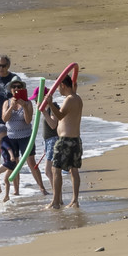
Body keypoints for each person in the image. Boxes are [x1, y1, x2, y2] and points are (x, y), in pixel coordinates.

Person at [46, 70, 83, 210]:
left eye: (58, 87)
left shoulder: (69, 99)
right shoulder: (77, 98)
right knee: (74, 170)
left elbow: (60, 116)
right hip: (75, 139)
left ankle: (56, 202)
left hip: (65, 140)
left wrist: (50, 104)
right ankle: (74, 200)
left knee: (56, 169)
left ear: (62, 85)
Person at [0, 81, 37, 200]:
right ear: (10, 90)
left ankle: (41, 187)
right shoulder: (7, 102)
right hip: (11, 136)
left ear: (23, 89)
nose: (16, 89)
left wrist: (24, 106)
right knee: (14, 164)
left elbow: (28, 120)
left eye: (19, 87)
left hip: (25, 136)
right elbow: (4, 118)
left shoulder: (28, 103)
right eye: (14, 87)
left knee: (31, 162)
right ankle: (16, 190)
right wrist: (11, 106)